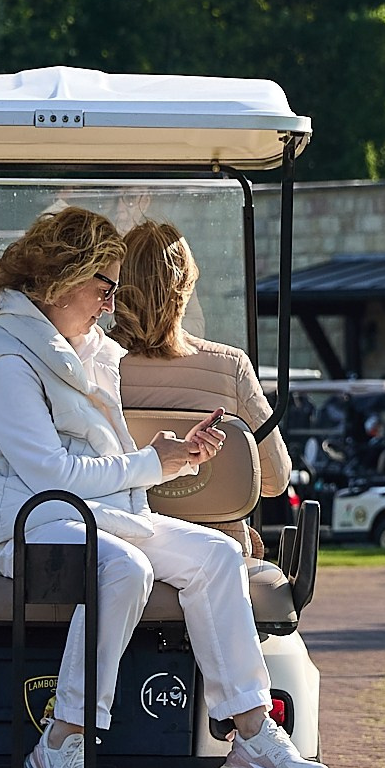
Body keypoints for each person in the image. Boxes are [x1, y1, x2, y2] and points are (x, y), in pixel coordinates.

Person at [0, 206, 328, 768]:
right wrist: (153, 463)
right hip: (1, 519)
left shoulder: (85, 353)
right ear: (64, 279)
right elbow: (50, 477)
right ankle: (62, 742)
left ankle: (251, 736)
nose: (111, 306)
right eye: (103, 288)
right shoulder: (2, 358)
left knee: (218, 554)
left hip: (65, 512)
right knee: (124, 568)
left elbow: (93, 475)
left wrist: (177, 458)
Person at [108, 220, 292, 555]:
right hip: (218, 548)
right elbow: (275, 480)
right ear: (186, 287)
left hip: (120, 544)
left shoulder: (91, 363)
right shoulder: (231, 367)